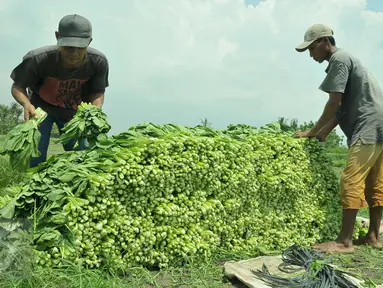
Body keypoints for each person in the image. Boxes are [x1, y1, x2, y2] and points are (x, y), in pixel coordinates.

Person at [295, 23, 383, 253]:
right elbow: (342, 106)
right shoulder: (347, 59)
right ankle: (374, 236)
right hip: (379, 125)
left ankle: (344, 241)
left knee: (350, 180)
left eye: (311, 49)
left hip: (367, 126)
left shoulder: (339, 60)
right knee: (375, 182)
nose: (311, 55)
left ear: (324, 41)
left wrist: (312, 131)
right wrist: (325, 131)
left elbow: (334, 102)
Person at [10, 14, 109, 167]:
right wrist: (25, 104)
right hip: (40, 110)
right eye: (69, 46)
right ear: (57, 37)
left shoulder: (98, 62)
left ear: (89, 41)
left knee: (82, 157)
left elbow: (97, 91)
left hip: (74, 114)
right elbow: (17, 86)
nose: (74, 52)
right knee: (35, 156)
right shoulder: (38, 59)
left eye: (80, 47)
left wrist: (94, 111)